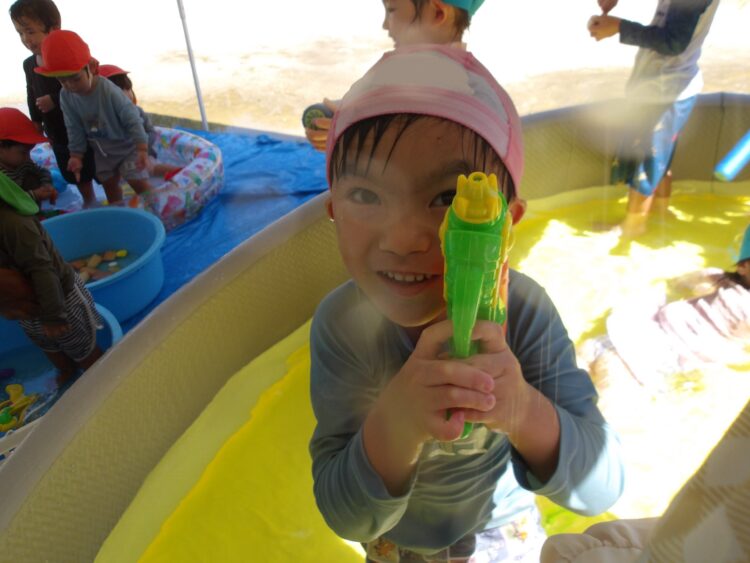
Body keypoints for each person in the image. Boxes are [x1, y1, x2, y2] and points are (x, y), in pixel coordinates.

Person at [309, 46, 625, 562]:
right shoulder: (342, 327)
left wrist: (521, 408)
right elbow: (345, 513)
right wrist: (397, 421)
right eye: (366, 196)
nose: (403, 239)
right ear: (333, 211)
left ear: (507, 222)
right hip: (398, 539)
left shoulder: (524, 312)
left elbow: (601, 485)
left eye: (446, 199)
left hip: (499, 524)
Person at [587, 0, 719, 238]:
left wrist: (619, 27)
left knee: (647, 162)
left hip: (667, 89)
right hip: (665, 85)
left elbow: (673, 42)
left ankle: (634, 227)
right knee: (659, 160)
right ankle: (660, 213)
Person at [582, 223, 750, 395]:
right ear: (742, 267)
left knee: (578, 362)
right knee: (607, 398)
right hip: (651, 359)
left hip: (631, 331)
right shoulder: (716, 279)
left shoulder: (715, 278)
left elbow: (675, 285)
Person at [0, 108, 102, 386]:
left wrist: (54, 316)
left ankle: (100, 381)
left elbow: (43, 270)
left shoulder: (15, 225)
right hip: (29, 306)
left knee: (83, 349)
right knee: (47, 344)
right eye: (23, 151)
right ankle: (65, 371)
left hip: (60, 298)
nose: (27, 157)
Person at [304, 0, 484, 151]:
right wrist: (341, 117)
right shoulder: (413, 70)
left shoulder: (457, 87)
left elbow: (432, 150)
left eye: (391, 10)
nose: (385, 25)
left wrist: (351, 136)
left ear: (438, 13)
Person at [34, 30, 153, 205]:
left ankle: (158, 207)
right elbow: (73, 127)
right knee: (109, 186)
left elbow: (131, 116)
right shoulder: (66, 95)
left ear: (90, 68)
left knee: (137, 180)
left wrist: (141, 147)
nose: (70, 85)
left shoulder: (107, 90)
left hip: (127, 146)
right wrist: (76, 155)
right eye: (62, 81)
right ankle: (118, 214)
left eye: (75, 79)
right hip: (103, 151)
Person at [9, 0, 98, 208]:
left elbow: (86, 86)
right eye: (20, 33)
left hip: (82, 125)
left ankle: (106, 191)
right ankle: (89, 199)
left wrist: (55, 99)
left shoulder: (67, 58)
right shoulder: (29, 64)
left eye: (30, 31)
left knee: (94, 162)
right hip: (57, 130)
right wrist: (36, 122)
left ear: (54, 29)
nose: (25, 39)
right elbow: (31, 93)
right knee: (72, 169)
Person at [98, 64, 181, 180]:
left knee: (151, 167)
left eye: (128, 89)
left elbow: (151, 132)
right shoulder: (102, 120)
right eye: (120, 92)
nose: (128, 94)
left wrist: (142, 145)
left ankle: (180, 172)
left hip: (142, 154)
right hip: (118, 159)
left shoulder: (137, 111)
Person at [0, 107, 57, 207]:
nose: (28, 157)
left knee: (32, 177)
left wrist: (46, 186)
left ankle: (34, 213)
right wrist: (35, 195)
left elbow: (43, 172)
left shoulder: (24, 163)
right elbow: (8, 201)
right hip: (6, 209)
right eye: (23, 153)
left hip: (25, 203)